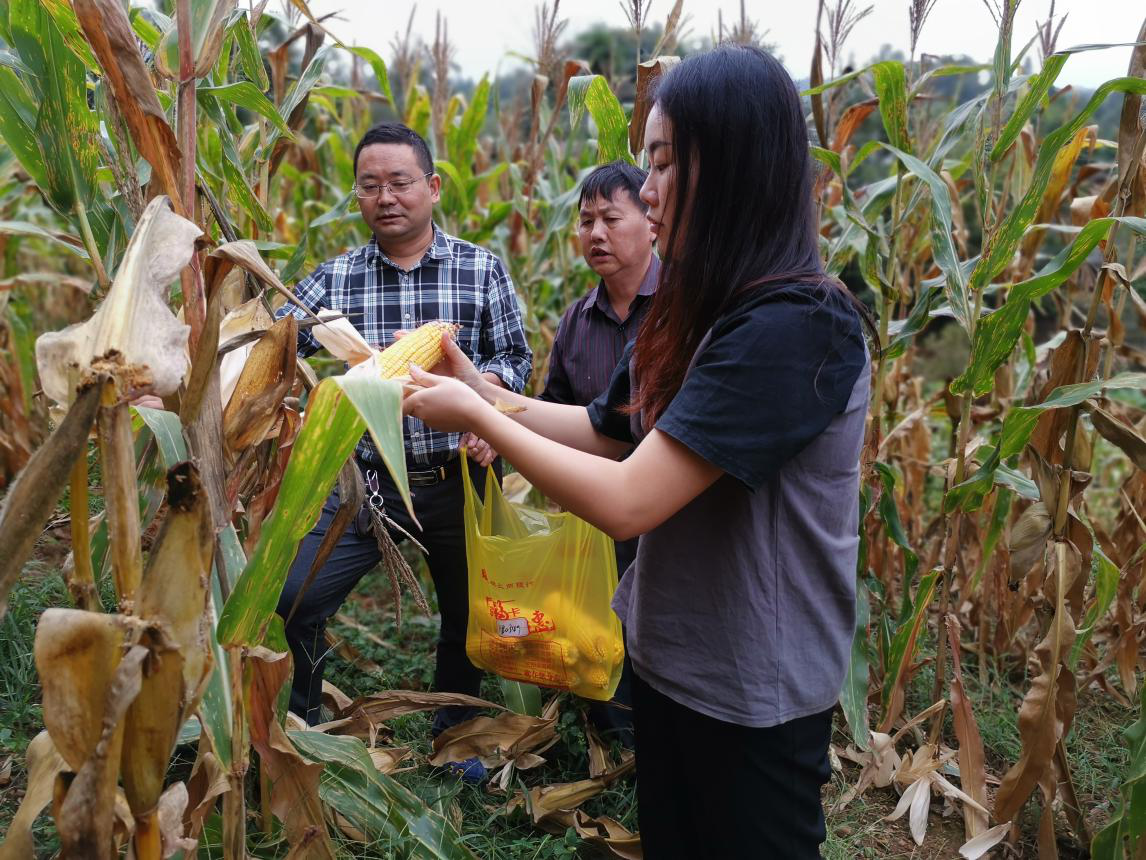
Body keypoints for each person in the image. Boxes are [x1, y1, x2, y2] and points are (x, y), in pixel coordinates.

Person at [403, 45, 874, 857]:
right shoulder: (694, 310)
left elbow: (631, 497)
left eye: (662, 161)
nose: (645, 188)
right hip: (666, 659)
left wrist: (483, 424)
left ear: (731, 164)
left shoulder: (799, 326)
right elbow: (603, 429)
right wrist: (479, 390)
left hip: (750, 687)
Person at [275, 123, 532, 766]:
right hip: (365, 486)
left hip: (456, 479)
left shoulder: (480, 269)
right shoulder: (334, 280)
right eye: (370, 185)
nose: (386, 196)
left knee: (467, 620)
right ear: (357, 197)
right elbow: (272, 346)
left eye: (400, 182)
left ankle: (456, 736)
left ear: (433, 187)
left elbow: (512, 358)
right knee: (291, 600)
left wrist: (485, 403)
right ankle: (300, 720)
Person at [538, 160, 658, 744]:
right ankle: (607, 738)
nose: (596, 234)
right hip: (589, 518)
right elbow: (553, 408)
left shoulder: (684, 311)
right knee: (596, 633)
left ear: (652, 221)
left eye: (612, 217)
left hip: (662, 515)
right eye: (586, 221)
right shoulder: (576, 323)